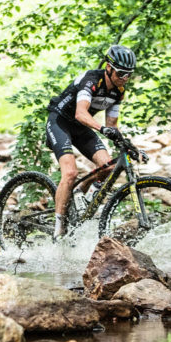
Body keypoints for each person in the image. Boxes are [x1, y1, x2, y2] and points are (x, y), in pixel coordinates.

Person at [45, 44, 136, 238]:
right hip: (60, 121)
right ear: (109, 68)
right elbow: (80, 113)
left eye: (129, 74)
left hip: (80, 127)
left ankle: (80, 192)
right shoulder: (91, 80)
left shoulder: (118, 91)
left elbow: (112, 125)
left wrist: (125, 144)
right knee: (70, 172)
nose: (124, 79)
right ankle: (58, 228)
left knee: (108, 167)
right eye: (121, 73)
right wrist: (102, 129)